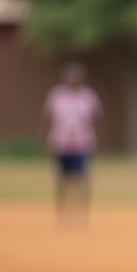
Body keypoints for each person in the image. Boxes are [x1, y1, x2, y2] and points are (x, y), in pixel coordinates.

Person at [42, 62, 103, 225]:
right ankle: (62, 212)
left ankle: (82, 213)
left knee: (82, 178)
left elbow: (97, 120)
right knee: (62, 179)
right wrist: (47, 139)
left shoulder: (89, 96)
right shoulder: (56, 95)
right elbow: (48, 118)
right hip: (60, 142)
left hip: (82, 143)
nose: (73, 80)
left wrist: (96, 141)